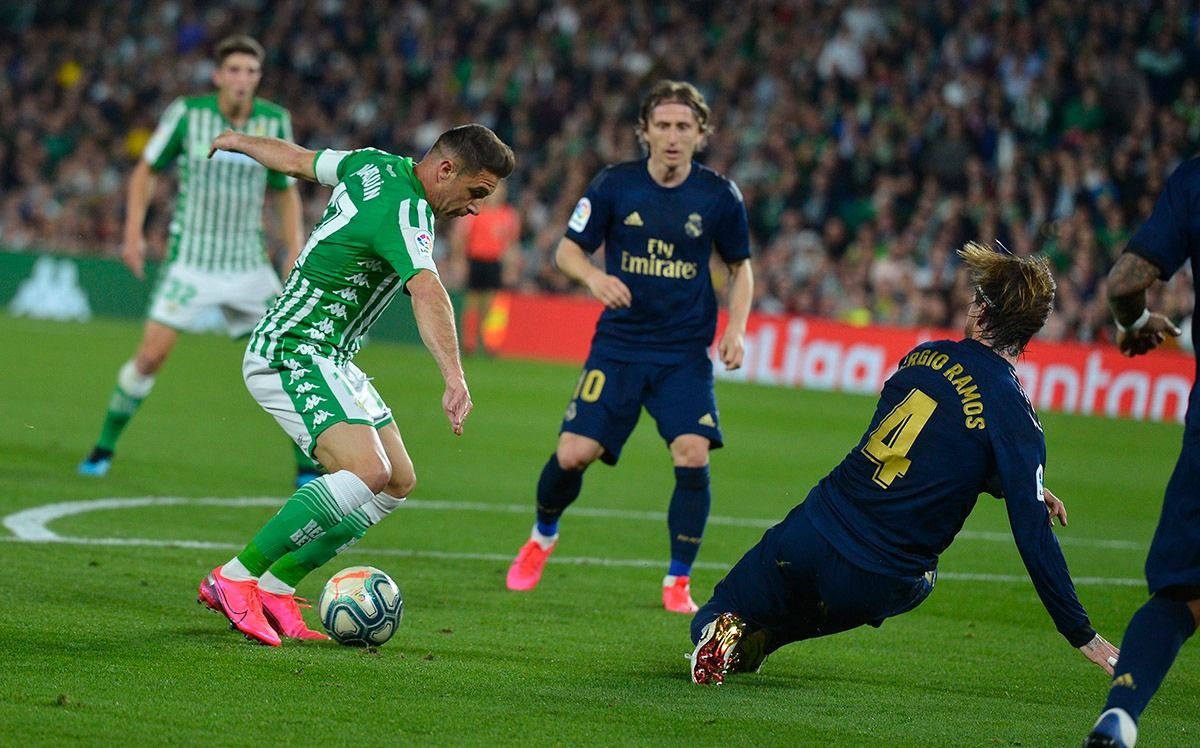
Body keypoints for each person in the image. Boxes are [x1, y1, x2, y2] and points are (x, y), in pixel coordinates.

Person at [688, 242, 1120, 685]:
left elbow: (928, 436)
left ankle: (720, 629)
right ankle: (767, 638)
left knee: (723, 605)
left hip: (812, 532)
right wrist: (1082, 633)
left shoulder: (921, 356)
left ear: (984, 313)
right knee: (918, 582)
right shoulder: (1018, 419)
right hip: (882, 577)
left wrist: (1008, 479)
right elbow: (1033, 537)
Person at [195, 123, 515, 646]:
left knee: (396, 481)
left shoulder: (371, 163)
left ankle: (275, 587)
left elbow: (299, 160)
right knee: (367, 470)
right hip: (295, 346)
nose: (475, 208)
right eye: (476, 193)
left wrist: (239, 140)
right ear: (445, 170)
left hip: (332, 355)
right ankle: (232, 578)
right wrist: (455, 377)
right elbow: (428, 290)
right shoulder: (408, 211)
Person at [504, 80, 754, 614]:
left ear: (701, 135)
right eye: (661, 125)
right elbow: (566, 252)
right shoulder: (615, 185)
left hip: (683, 354)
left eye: (683, 126)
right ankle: (541, 536)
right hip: (619, 347)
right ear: (643, 132)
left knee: (691, 453)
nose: (671, 136)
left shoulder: (718, 195)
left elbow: (741, 267)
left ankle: (678, 582)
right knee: (573, 454)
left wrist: (736, 329)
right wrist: (593, 279)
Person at [76, 35, 319, 487]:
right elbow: (146, 169)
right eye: (235, 70)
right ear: (218, 75)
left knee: (287, 360)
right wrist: (132, 234)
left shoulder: (274, 120)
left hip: (248, 265)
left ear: (258, 78)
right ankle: (103, 449)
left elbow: (287, 190)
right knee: (149, 358)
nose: (242, 79)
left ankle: (307, 467)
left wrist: (294, 247)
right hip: (191, 260)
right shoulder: (188, 114)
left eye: (251, 71)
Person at [1084, 161, 1197, 748]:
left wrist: (1132, 323)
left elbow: (1125, 281)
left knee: (1182, 594)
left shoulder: (1194, 180)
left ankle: (1121, 717)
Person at [451, 179, 521, 355]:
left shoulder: (508, 214)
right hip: (476, 260)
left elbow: (511, 243)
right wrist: (460, 261)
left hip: (494, 262)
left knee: (491, 306)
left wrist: (510, 266)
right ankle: (469, 342)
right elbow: (461, 237)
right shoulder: (475, 211)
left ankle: (489, 342)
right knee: (473, 303)